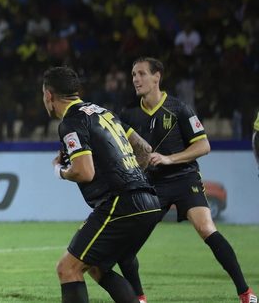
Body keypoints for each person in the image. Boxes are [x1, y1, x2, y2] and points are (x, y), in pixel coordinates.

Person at [118, 57, 256, 303]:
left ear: (157, 77)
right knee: (127, 246)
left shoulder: (179, 108)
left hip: (184, 178)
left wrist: (169, 159)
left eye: (141, 74)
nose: (136, 79)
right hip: (152, 185)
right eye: (133, 75)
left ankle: (246, 293)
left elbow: (203, 145)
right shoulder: (128, 113)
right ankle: (139, 298)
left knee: (206, 228)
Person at [42, 66, 162, 303]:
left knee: (68, 269)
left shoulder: (71, 122)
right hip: (149, 201)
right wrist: (130, 176)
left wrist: (60, 171)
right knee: (97, 266)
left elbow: (84, 172)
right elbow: (145, 150)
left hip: (121, 204)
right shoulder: (104, 113)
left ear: (48, 95)